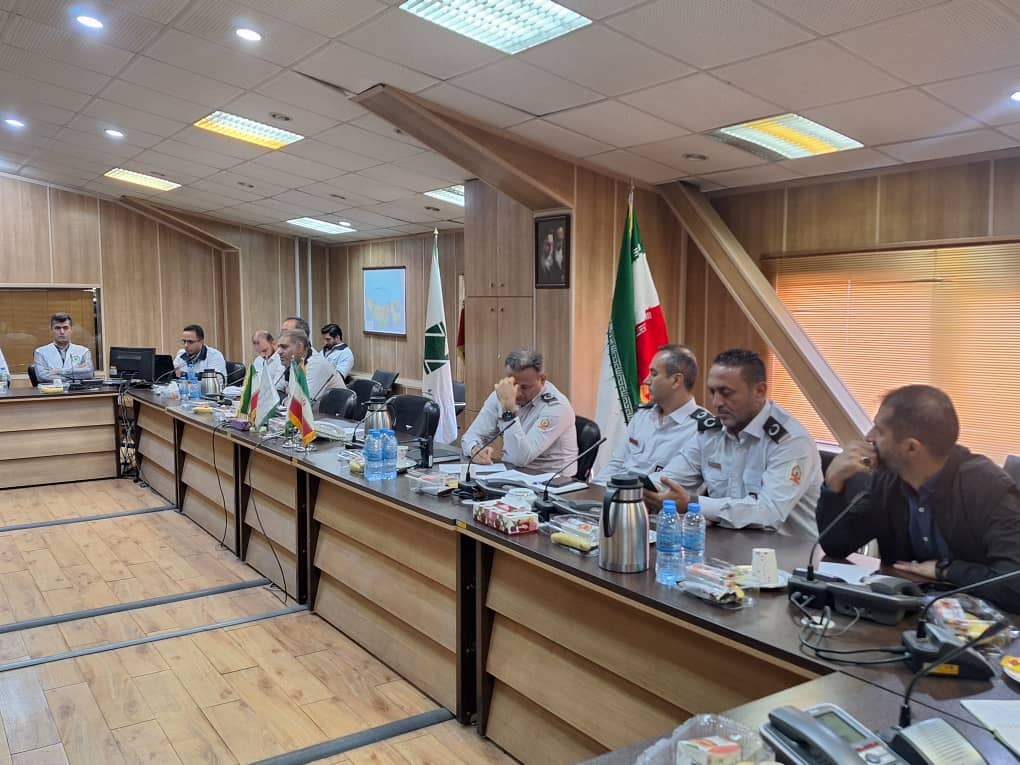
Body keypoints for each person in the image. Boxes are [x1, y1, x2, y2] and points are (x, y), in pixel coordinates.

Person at [817, 385, 1020, 613]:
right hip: (907, 613)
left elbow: (1014, 585)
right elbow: (836, 546)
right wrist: (833, 484)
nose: (869, 437)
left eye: (880, 430)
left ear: (912, 447)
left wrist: (946, 570)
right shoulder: (886, 480)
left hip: (980, 622)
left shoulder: (987, 486)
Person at [646, 348, 822, 536]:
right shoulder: (711, 433)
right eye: (712, 392)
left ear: (759, 391)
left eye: (726, 393)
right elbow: (669, 479)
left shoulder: (791, 441)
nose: (716, 402)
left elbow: (769, 513)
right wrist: (643, 489)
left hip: (787, 549)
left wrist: (693, 503)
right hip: (728, 544)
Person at [594, 344, 704, 484]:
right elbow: (616, 464)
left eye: (654, 374)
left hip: (653, 497)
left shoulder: (699, 430)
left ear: (676, 380)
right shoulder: (642, 415)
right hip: (621, 493)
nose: (646, 380)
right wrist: (595, 490)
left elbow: (663, 484)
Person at [462, 348, 577, 472]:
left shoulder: (556, 407)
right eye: (513, 384)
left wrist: (508, 412)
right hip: (512, 474)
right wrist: (474, 449)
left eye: (525, 387)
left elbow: (519, 459)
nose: (517, 393)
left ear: (542, 379)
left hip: (551, 479)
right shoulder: (503, 394)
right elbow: (470, 436)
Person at [276, 329, 345, 413]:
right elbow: (275, 392)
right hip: (311, 415)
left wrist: (285, 399)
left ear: (300, 347)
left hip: (332, 417)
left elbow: (302, 404)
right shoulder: (291, 362)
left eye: (284, 347)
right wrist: (286, 400)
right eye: (278, 347)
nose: (278, 351)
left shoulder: (317, 365)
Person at [33, 312, 94, 383]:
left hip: (77, 390)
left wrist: (59, 371)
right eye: (57, 328)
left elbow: (89, 373)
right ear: (51, 330)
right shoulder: (40, 352)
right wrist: (76, 373)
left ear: (71, 330)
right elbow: (42, 376)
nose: (62, 332)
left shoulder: (83, 351)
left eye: (65, 328)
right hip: (52, 389)